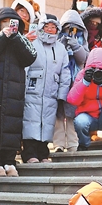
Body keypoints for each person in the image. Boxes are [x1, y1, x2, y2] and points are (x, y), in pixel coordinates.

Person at [0, 7, 37, 176]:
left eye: (12, 22)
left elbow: (31, 56)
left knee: (12, 125)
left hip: (14, 92)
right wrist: (2, 37)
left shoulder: (21, 39)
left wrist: (16, 37)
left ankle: (9, 161)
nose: (8, 25)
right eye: (4, 22)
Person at [22, 17, 70, 163]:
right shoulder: (33, 42)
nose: (49, 29)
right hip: (32, 90)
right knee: (30, 121)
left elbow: (65, 72)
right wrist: (21, 89)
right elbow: (24, 67)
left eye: (53, 27)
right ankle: (29, 154)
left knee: (47, 123)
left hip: (51, 92)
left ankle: (43, 153)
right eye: (46, 26)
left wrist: (62, 93)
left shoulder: (60, 48)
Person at [54, 10, 89, 152]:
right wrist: (61, 45)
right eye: (68, 27)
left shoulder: (82, 40)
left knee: (72, 113)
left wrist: (75, 46)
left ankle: (73, 143)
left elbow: (83, 59)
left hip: (75, 81)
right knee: (58, 113)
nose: (71, 30)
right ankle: (58, 143)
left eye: (74, 27)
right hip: (59, 79)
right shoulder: (57, 39)